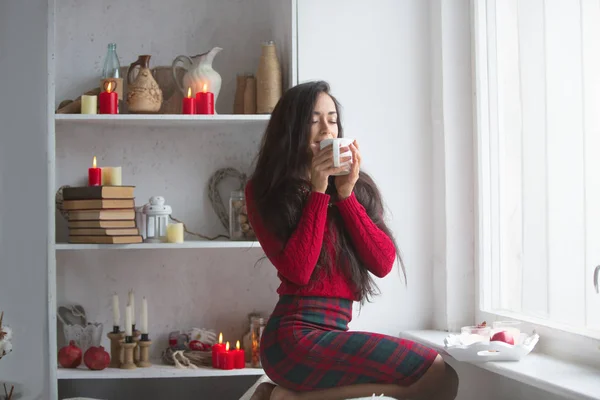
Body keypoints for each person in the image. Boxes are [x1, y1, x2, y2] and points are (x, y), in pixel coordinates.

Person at [245, 81, 458, 400]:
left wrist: (345, 195)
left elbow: (383, 262)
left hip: (332, 334)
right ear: (290, 129)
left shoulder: (353, 186)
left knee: (442, 378)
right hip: (291, 341)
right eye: (313, 120)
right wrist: (317, 190)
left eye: (331, 119)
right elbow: (299, 271)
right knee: (437, 373)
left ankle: (286, 398)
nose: (325, 130)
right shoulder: (265, 191)